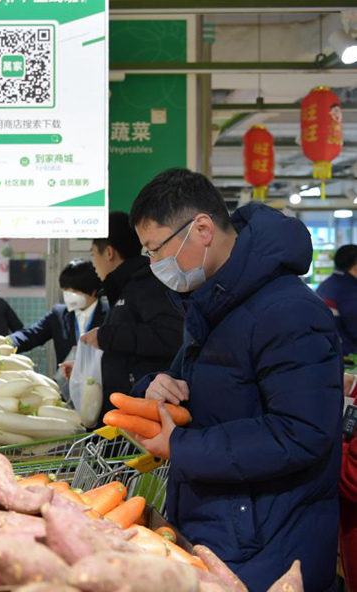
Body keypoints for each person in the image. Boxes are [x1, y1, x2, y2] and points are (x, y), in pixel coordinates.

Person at [130, 168, 341, 592]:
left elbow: (301, 432)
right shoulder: (213, 303)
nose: (155, 265)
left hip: (270, 546)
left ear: (202, 229)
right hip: (222, 528)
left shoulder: (289, 312)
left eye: (157, 250)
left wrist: (182, 447)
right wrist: (154, 386)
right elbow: (194, 385)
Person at [82, 211, 183, 417]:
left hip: (145, 412)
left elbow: (171, 336)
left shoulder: (148, 284)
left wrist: (106, 336)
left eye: (93, 254)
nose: (93, 263)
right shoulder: (125, 287)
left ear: (108, 252)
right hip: (128, 411)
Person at [10, 260, 108, 381]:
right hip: (66, 384)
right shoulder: (58, 314)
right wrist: (7, 342)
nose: (68, 296)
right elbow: (31, 334)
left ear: (93, 291)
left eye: (74, 291)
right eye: (65, 290)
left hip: (100, 384)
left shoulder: (110, 315)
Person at [317, 244, 357, 356]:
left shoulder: (326, 285)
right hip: (348, 354)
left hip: (328, 351)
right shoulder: (349, 290)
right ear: (355, 266)